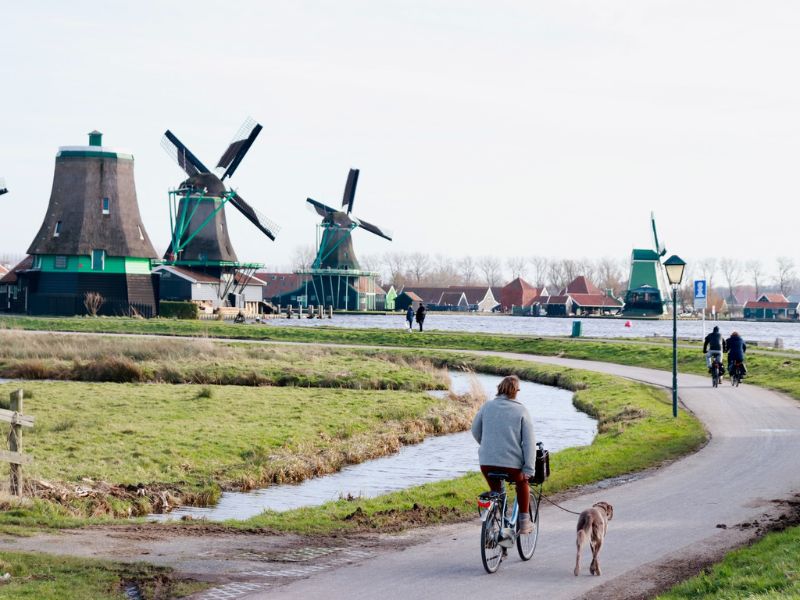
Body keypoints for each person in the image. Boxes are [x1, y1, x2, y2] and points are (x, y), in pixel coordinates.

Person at [471, 375, 536, 534]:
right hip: (512, 465)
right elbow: (529, 443)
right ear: (516, 391)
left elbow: (475, 430)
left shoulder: (487, 406)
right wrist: (529, 469)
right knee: (522, 483)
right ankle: (525, 522)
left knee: (497, 492)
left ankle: (496, 527)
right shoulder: (521, 410)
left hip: (487, 462)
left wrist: (487, 445)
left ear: (499, 388)